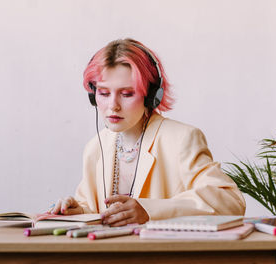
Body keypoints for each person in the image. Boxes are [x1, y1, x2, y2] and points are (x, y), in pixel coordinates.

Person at [48, 38, 246, 227]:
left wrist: (149, 211)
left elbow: (230, 201)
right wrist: (79, 212)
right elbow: (94, 209)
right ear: (93, 95)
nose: (113, 106)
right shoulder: (95, 147)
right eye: (104, 93)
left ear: (151, 95)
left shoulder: (182, 139)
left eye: (126, 94)